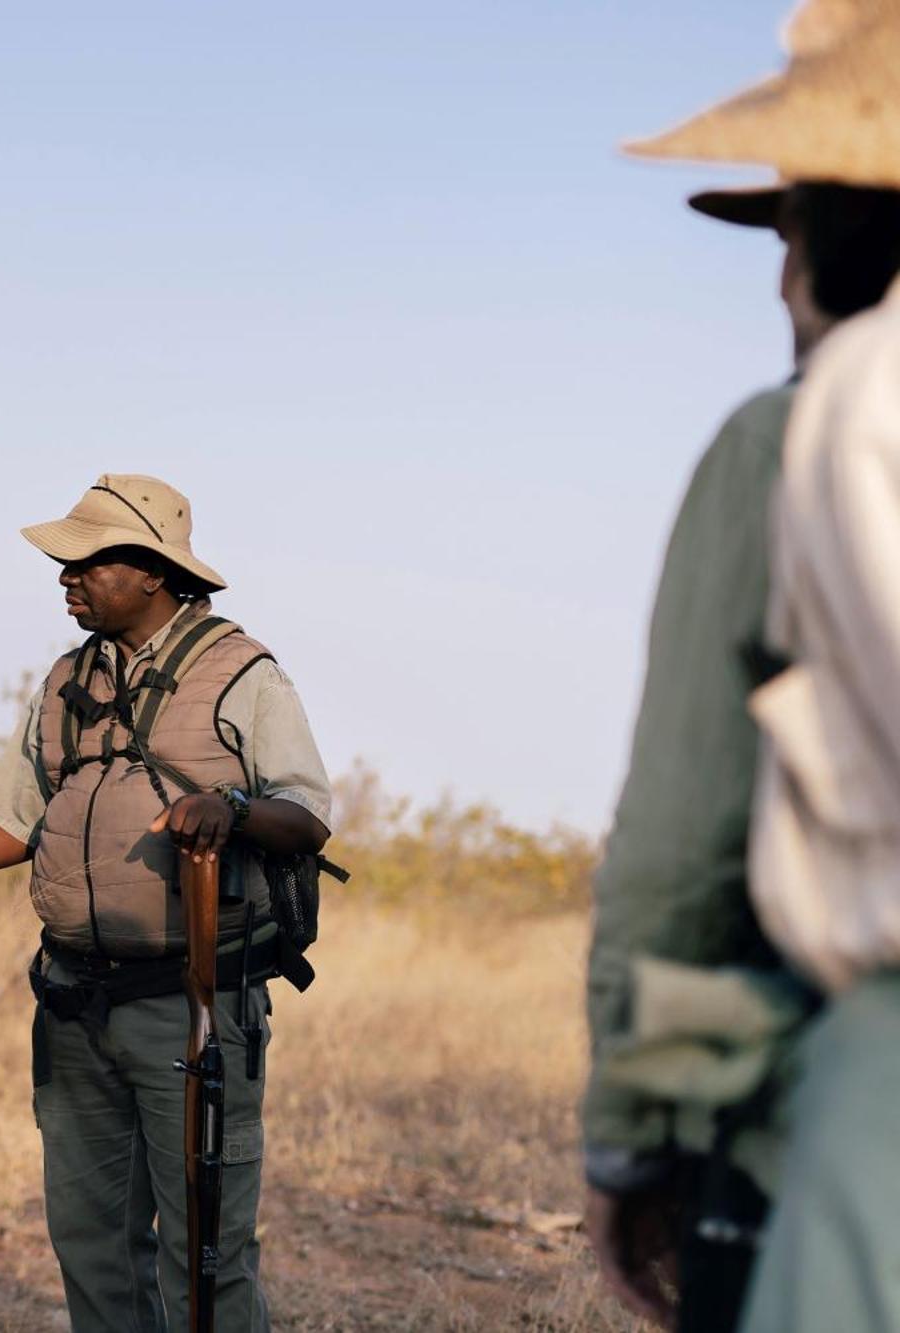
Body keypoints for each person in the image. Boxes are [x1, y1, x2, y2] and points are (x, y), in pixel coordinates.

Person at [0, 474, 331, 1333]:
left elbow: (307, 814)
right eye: (65, 564)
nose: (66, 578)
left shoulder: (242, 671)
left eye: (85, 562)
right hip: (72, 1001)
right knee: (91, 1241)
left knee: (207, 1251)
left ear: (150, 571)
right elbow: (11, 823)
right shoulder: (65, 681)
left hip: (194, 1004)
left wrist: (233, 809)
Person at [583, 5, 900, 1329]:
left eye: (787, 227)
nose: (779, 277)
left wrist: (636, 1128)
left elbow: (687, 840)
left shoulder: (807, 431)